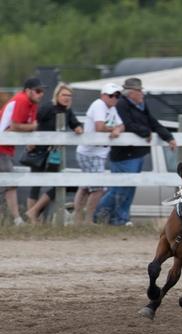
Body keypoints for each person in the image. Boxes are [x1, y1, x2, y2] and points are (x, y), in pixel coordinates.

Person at [94, 77, 176, 226]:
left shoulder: (141, 105)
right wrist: (145, 131)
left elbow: (153, 122)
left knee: (129, 188)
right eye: (139, 91)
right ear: (131, 93)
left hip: (137, 153)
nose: (142, 94)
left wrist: (168, 137)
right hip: (124, 154)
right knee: (118, 189)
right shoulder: (122, 105)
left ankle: (120, 219)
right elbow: (127, 125)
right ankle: (103, 217)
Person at [25, 83, 84, 224]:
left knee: (59, 183)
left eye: (69, 96)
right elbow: (34, 122)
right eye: (64, 95)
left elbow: (75, 123)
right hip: (39, 151)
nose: (67, 98)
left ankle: (33, 212)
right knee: (36, 185)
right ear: (57, 95)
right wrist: (31, 139)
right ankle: (32, 220)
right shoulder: (47, 108)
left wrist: (78, 128)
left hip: (54, 154)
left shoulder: (68, 111)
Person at [73, 82, 124, 225]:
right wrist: (114, 129)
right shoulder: (99, 105)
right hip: (90, 152)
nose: (114, 98)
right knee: (98, 189)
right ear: (103, 95)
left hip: (96, 152)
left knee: (85, 186)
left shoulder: (111, 108)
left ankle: (78, 219)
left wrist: (117, 129)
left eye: (117, 96)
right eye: (111, 95)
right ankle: (88, 219)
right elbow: (99, 127)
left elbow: (121, 125)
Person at [0, 77, 45, 226]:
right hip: (1, 145)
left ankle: (15, 219)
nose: (41, 94)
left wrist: (29, 135)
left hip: (6, 146)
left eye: (42, 91)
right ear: (28, 91)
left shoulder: (32, 103)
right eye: (38, 91)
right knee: (10, 182)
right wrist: (32, 128)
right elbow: (16, 125)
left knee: (9, 183)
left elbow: (23, 126)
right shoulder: (22, 100)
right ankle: (16, 219)